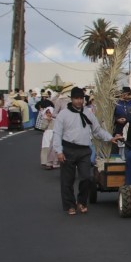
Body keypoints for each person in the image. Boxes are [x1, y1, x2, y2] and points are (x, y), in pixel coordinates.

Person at [52, 86, 120, 215]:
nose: (79, 101)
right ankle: (70, 205)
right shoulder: (63, 114)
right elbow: (57, 134)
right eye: (76, 98)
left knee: (86, 178)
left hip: (84, 150)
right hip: (68, 148)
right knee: (68, 180)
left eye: (81, 99)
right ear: (71, 99)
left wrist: (110, 138)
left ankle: (82, 202)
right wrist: (59, 151)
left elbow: (97, 130)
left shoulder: (88, 113)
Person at [37, 96, 58, 168]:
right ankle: (45, 162)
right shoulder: (45, 119)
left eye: (50, 112)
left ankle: (54, 162)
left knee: (53, 149)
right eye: (47, 112)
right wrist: (47, 122)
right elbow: (43, 128)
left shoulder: (55, 120)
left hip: (53, 134)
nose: (49, 114)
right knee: (46, 147)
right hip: (46, 135)